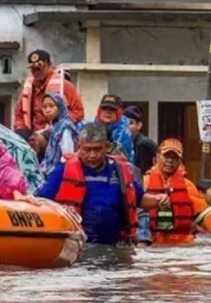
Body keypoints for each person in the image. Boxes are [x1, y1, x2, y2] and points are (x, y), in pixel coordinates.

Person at [31, 123, 164, 246]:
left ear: (107, 147)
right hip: (78, 244)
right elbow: (41, 200)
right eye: (87, 150)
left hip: (116, 245)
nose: (92, 155)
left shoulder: (120, 170)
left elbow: (140, 199)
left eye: (97, 149)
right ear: (78, 146)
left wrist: (159, 200)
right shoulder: (64, 169)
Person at [143, 139, 198, 244]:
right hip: (151, 243)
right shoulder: (144, 182)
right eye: (166, 156)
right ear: (157, 157)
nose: (170, 161)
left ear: (180, 161)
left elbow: (204, 215)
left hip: (182, 245)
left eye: (174, 158)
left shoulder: (188, 186)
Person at [13, 49, 84, 131]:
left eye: (39, 68)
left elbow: (79, 112)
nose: (36, 72)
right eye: (33, 69)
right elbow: (19, 113)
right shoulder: (29, 88)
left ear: (49, 65)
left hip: (57, 131)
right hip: (34, 133)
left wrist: (59, 124)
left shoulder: (64, 85)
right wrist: (21, 128)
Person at [39, 93, 78, 173]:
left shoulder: (65, 127)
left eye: (51, 106)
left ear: (60, 107)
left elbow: (68, 155)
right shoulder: (56, 126)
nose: (47, 110)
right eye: (44, 107)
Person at [94, 94, 135, 163]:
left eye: (112, 109)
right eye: (104, 108)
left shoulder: (124, 133)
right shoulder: (89, 129)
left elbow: (127, 161)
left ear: (119, 112)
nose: (108, 112)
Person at [124, 106, 158, 175]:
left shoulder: (144, 144)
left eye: (130, 123)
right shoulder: (120, 142)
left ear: (139, 125)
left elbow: (141, 173)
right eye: (123, 122)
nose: (126, 126)